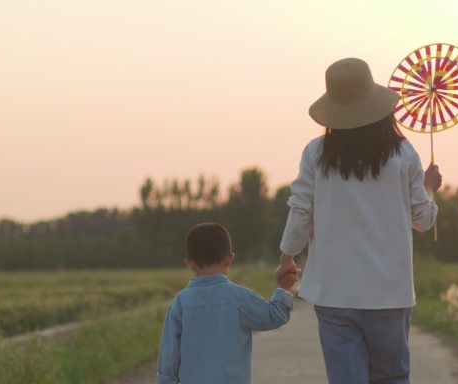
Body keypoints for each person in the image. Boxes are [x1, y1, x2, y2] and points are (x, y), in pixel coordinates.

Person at [276, 57, 442, 384]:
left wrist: (287, 256)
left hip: (334, 291)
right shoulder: (404, 153)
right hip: (390, 292)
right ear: (377, 103)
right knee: (392, 377)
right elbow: (423, 220)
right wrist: (430, 189)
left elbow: (301, 211)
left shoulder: (315, 153)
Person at [157, 222, 298, 384]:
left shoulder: (180, 304)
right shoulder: (239, 298)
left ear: (189, 263)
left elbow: (168, 354)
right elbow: (273, 316)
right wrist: (284, 289)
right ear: (229, 259)